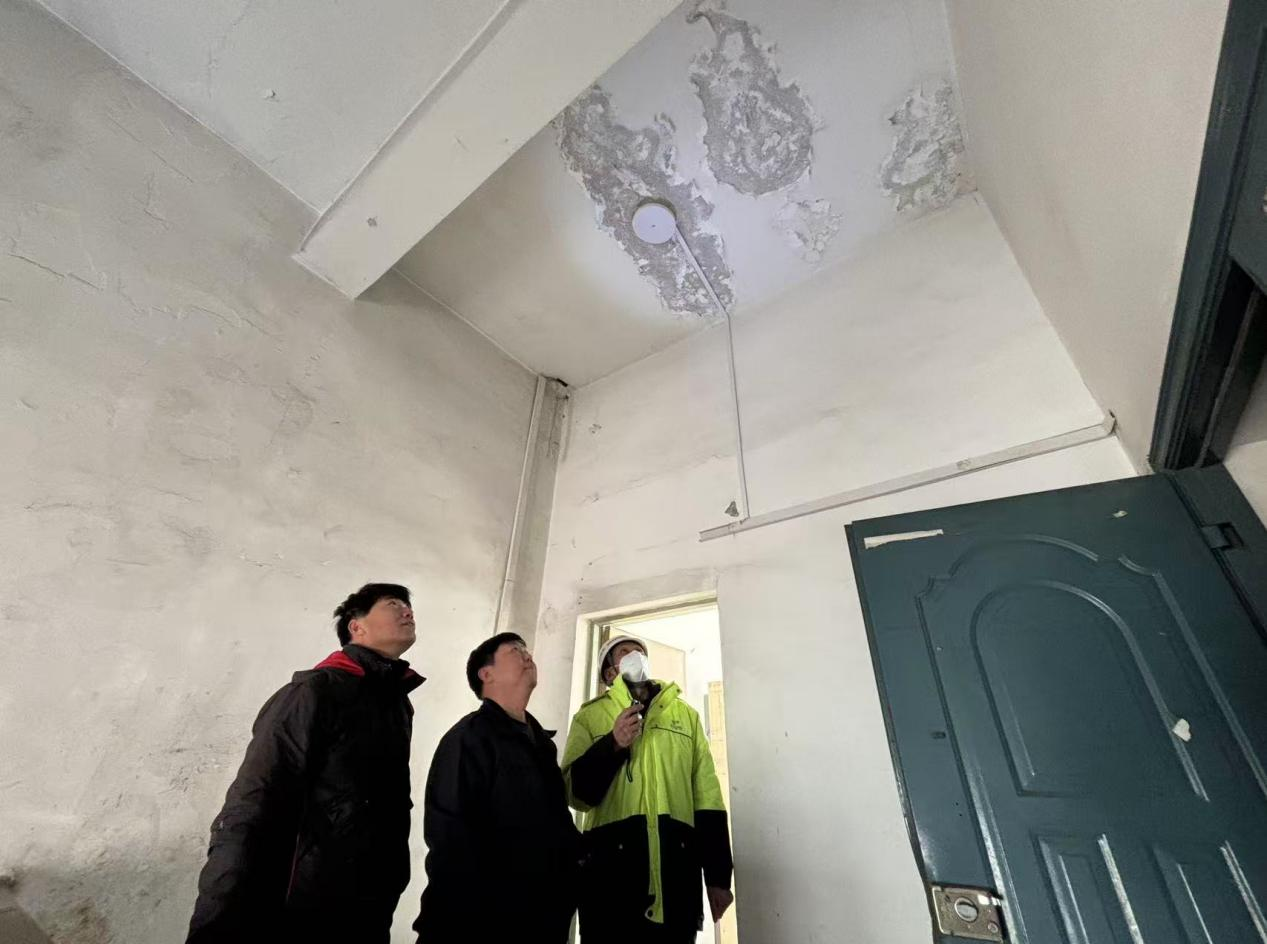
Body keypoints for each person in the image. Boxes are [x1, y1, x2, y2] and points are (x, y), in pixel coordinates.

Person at [186, 583, 424, 944]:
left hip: (367, 903)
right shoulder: (314, 691)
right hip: (303, 905)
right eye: (393, 604)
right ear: (356, 626)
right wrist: (219, 919)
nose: (408, 612)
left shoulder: (397, 705)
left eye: (408, 606)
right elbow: (255, 799)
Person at [562, 635, 735, 943]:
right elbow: (575, 795)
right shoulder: (589, 717)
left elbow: (707, 797)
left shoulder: (685, 717)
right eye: (625, 652)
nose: (635, 655)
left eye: (640, 651)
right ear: (609, 672)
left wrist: (718, 877)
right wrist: (613, 744)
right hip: (610, 882)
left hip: (676, 877)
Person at [414, 632, 581, 943]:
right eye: (515, 650)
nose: (527, 655)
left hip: (543, 917)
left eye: (527, 649)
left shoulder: (541, 744)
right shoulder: (468, 737)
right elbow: (450, 838)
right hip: (483, 921)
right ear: (486, 674)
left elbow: (555, 825)